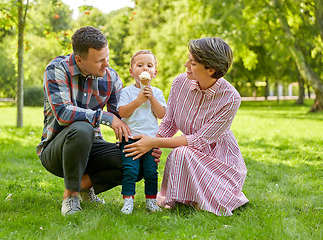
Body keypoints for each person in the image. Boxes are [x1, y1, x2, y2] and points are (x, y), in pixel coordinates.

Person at [36, 26, 162, 216]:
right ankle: (70, 196)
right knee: (82, 128)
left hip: (92, 146)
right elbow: (63, 113)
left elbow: (122, 118)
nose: (106, 64)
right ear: (79, 60)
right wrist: (104, 117)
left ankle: (84, 186)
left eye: (107, 57)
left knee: (137, 161)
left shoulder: (111, 78)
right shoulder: (57, 69)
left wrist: (148, 143)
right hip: (57, 149)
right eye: (99, 61)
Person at [123, 37, 249, 216]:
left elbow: (199, 140)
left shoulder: (230, 98)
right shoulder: (180, 83)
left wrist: (154, 141)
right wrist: (153, 145)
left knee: (181, 152)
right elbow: (169, 122)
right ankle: (186, 200)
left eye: (193, 62)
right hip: (187, 150)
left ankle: (202, 199)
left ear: (211, 70)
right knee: (181, 153)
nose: (186, 64)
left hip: (218, 158)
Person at [118, 50, 167, 214]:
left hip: (150, 140)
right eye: (140, 65)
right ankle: (128, 201)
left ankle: (151, 201)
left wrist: (151, 98)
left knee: (151, 172)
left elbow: (161, 114)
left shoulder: (157, 93)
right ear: (132, 71)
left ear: (154, 72)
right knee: (130, 171)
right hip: (130, 139)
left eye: (149, 65)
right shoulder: (127, 92)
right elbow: (123, 113)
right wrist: (139, 100)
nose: (145, 68)